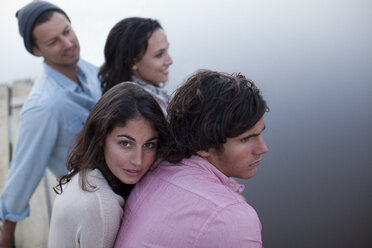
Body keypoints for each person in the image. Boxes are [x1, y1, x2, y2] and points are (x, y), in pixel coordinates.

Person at [115, 70, 269, 248]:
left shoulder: (154, 170)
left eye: (260, 133)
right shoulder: (232, 218)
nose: (263, 149)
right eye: (246, 139)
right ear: (204, 146)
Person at [0, 1, 101, 247]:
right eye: (53, 41)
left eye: (67, 31)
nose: (68, 44)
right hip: (94, 199)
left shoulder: (90, 70)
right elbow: (23, 172)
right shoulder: (43, 107)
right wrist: (7, 235)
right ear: (36, 51)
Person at [48, 82, 169, 248]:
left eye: (149, 145)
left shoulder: (84, 175)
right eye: (125, 144)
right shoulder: (101, 206)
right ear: (100, 138)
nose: (138, 161)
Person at [99, 17, 173, 115]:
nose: (170, 61)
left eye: (167, 50)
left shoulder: (154, 95)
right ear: (132, 62)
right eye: (159, 55)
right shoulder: (137, 110)